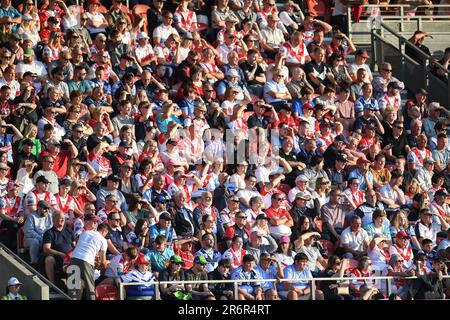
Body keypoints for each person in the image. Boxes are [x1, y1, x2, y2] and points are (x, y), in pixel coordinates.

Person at [68, 223, 108, 300]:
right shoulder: (103, 240)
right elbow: (103, 261)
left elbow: (75, 242)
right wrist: (104, 270)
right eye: (106, 234)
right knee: (90, 288)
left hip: (74, 258)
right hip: (87, 260)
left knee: (72, 287)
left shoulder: (85, 232)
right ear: (104, 231)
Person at [41, 211, 75, 284]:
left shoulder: (69, 231)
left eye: (63, 218)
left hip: (69, 258)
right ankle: (52, 284)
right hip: (56, 258)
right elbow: (46, 249)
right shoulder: (49, 233)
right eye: (60, 218)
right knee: (49, 259)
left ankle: (73, 289)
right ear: (53, 220)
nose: (62, 220)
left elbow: (74, 246)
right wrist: (60, 254)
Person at [23, 200, 53, 266]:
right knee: (35, 242)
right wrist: (40, 238)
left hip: (45, 238)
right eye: (45, 208)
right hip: (30, 239)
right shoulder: (31, 216)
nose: (47, 210)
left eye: (48, 208)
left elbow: (52, 227)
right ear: (39, 208)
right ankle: (34, 263)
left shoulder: (49, 216)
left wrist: (46, 238)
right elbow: (28, 231)